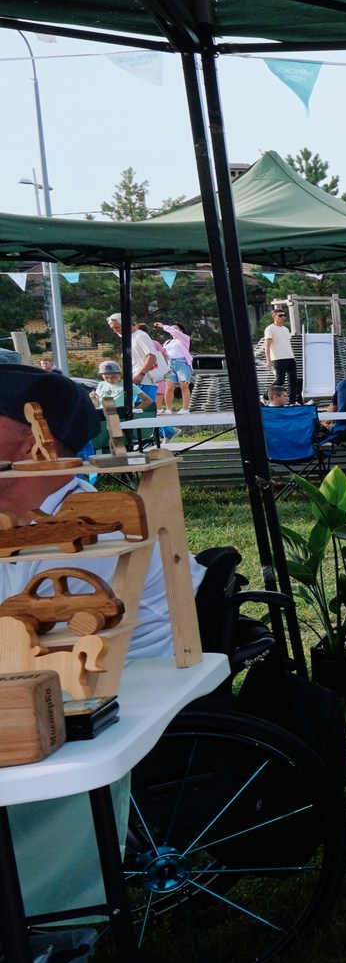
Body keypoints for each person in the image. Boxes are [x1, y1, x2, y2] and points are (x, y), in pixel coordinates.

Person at [0, 369, 203, 922]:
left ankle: (48, 925)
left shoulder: (88, 530)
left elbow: (38, 636)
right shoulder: (31, 520)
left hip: (104, 699)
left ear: (28, 437)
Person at [109, 313, 163, 408]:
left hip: (145, 380)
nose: (115, 331)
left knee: (144, 412)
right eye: (113, 328)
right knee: (136, 411)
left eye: (117, 327)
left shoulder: (140, 336)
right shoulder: (127, 338)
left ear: (125, 323)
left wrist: (141, 374)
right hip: (134, 380)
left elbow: (151, 356)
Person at [260, 304, 298, 404]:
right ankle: (265, 396)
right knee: (280, 381)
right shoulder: (270, 329)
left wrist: (293, 357)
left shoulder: (285, 329)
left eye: (284, 315)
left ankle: (292, 401)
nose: (283, 317)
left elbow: (287, 344)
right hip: (278, 358)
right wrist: (268, 360)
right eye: (280, 316)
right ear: (274, 317)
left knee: (293, 381)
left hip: (290, 357)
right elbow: (267, 346)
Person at [156, 321, 195, 411]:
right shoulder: (168, 342)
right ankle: (168, 408)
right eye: (172, 328)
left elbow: (175, 333)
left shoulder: (184, 338)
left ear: (180, 330)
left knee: (184, 386)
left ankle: (185, 408)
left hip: (182, 363)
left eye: (176, 328)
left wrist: (163, 326)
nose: (173, 330)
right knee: (169, 387)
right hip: (170, 364)